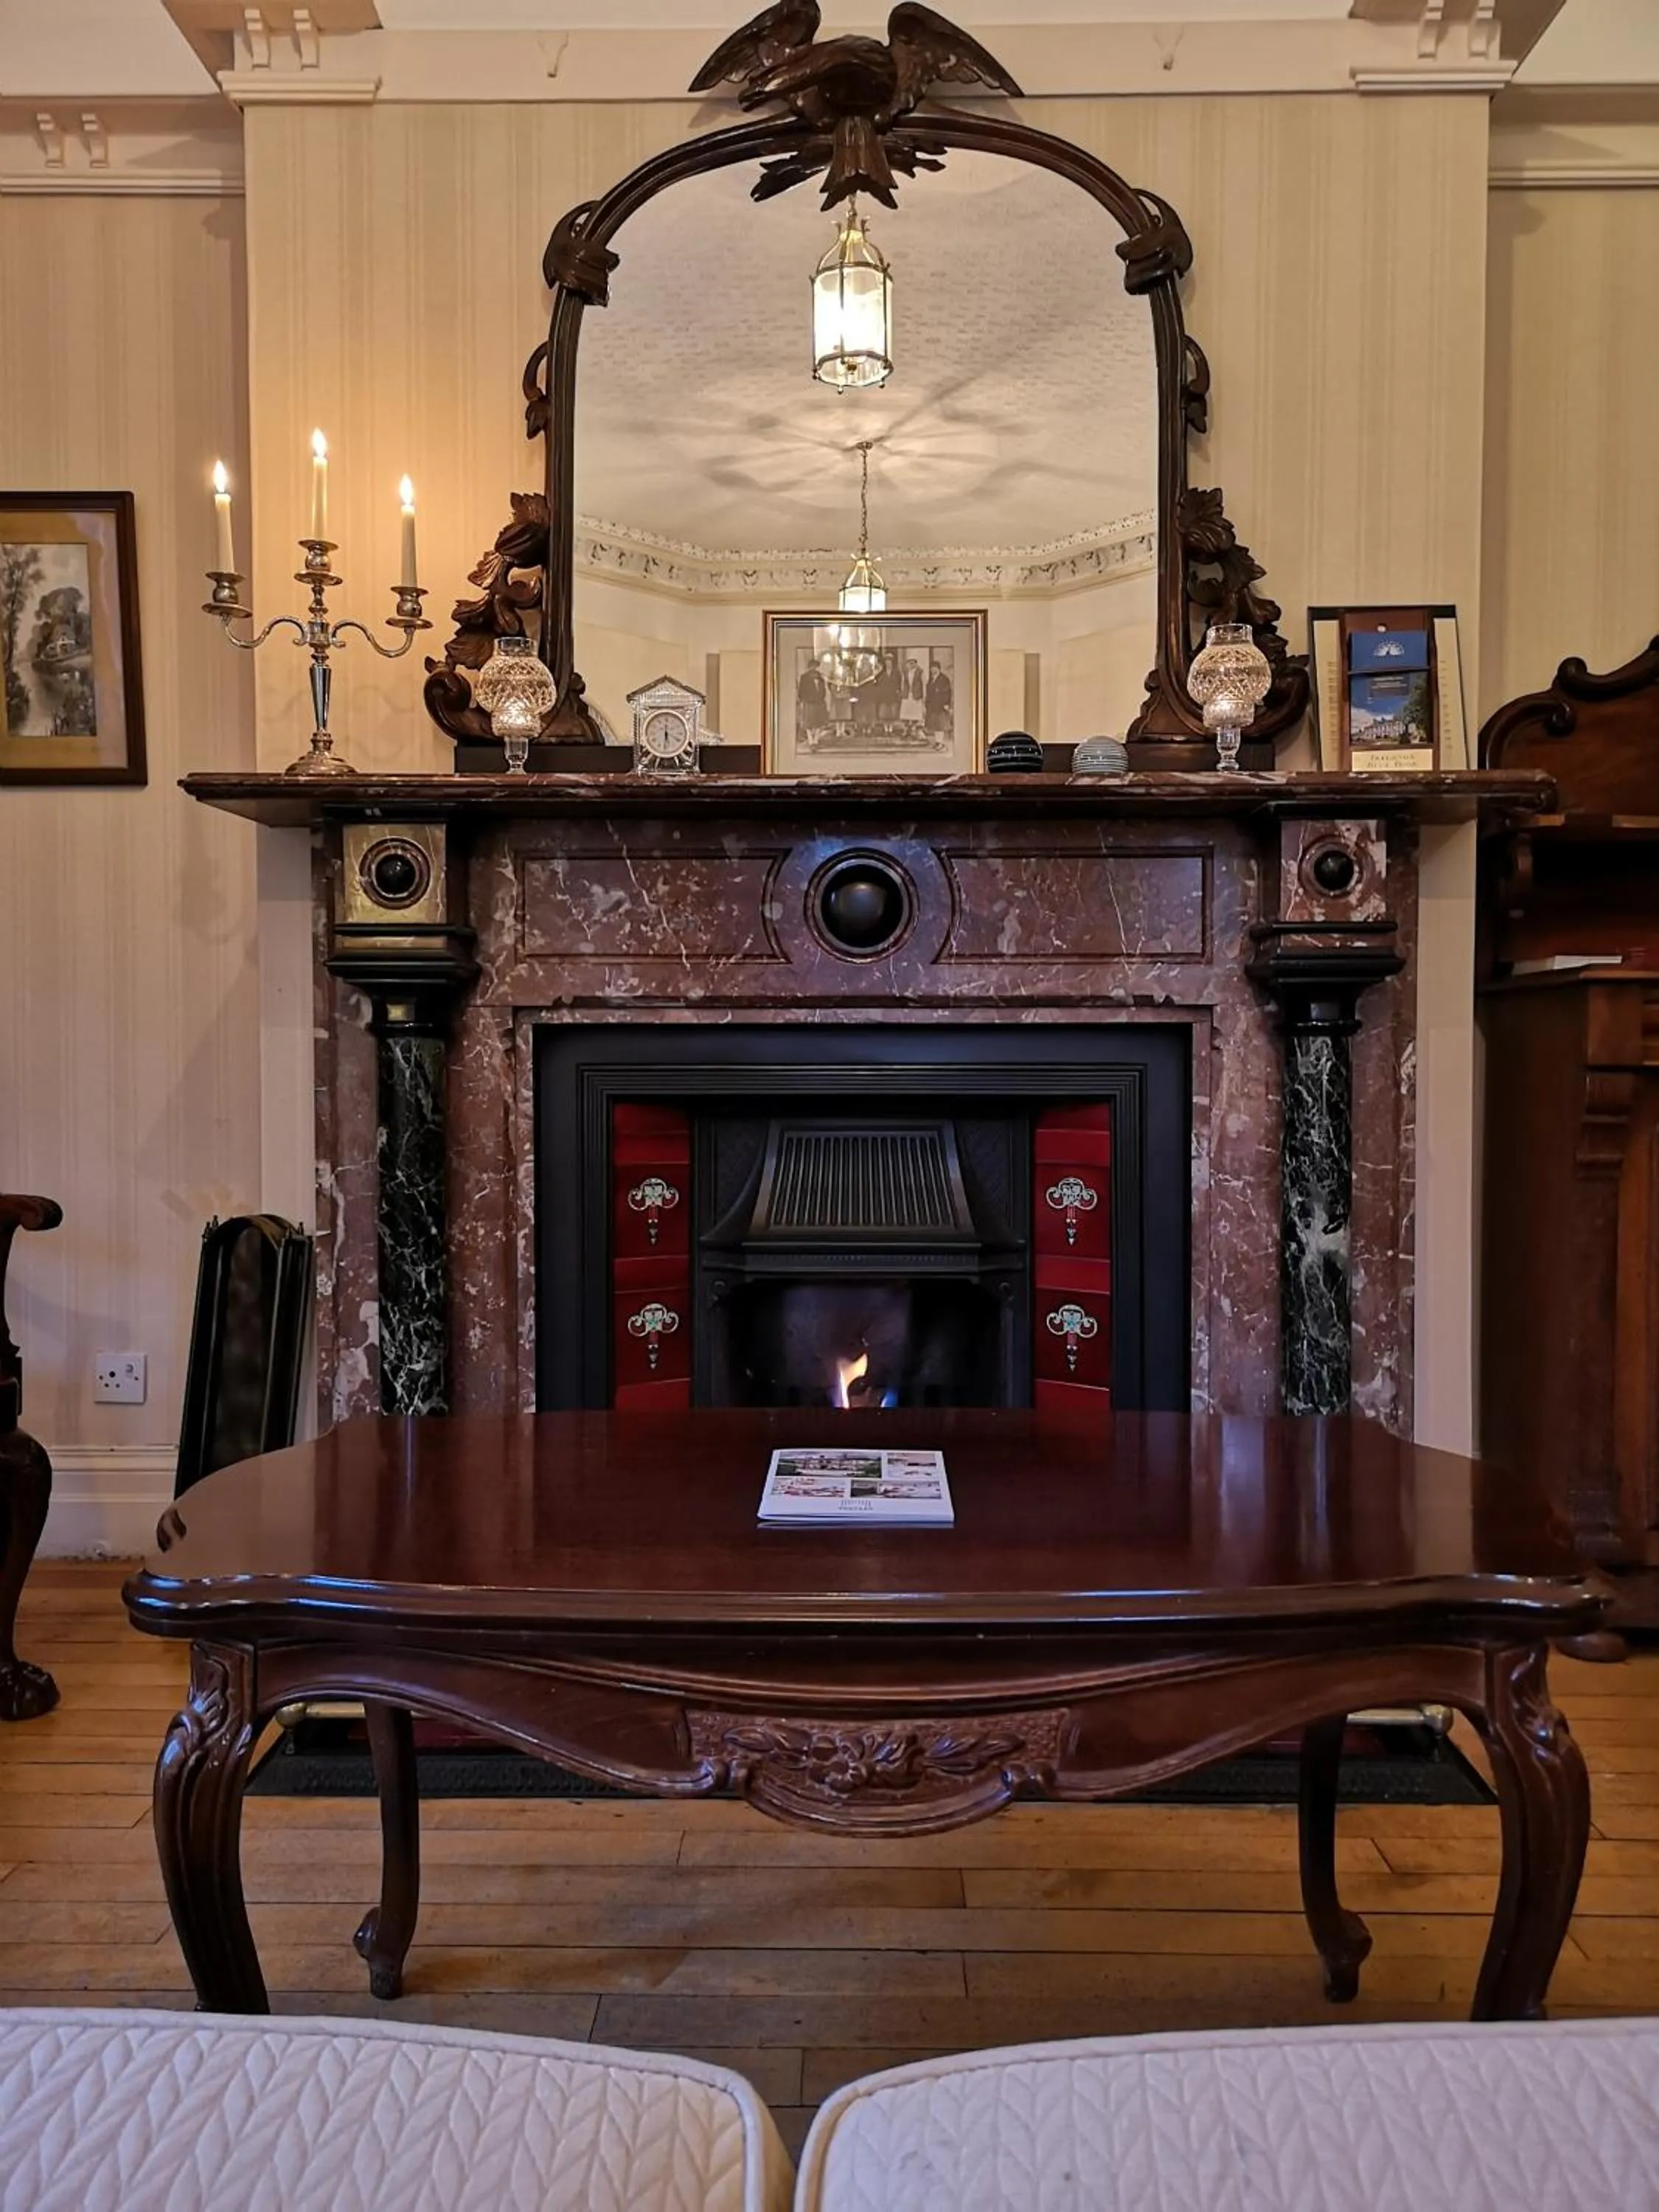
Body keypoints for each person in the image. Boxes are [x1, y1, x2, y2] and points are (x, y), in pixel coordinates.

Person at [925, 653, 953, 735]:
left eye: (935, 668)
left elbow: (948, 692)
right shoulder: (931, 679)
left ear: (939, 669)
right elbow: (929, 693)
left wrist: (946, 704)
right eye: (932, 668)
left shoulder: (944, 679)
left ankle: (941, 743)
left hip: (941, 706)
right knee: (935, 726)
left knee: (941, 726)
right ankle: (937, 742)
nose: (933, 670)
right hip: (933, 706)